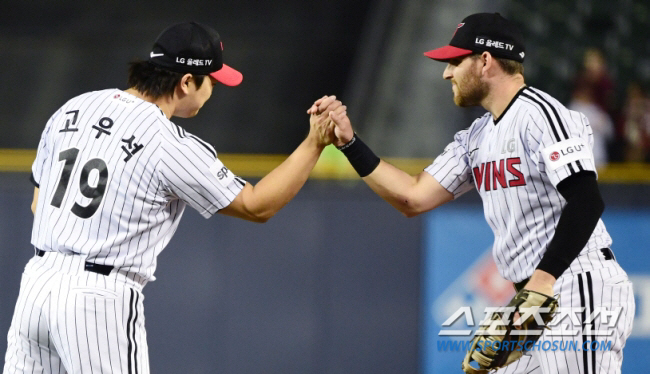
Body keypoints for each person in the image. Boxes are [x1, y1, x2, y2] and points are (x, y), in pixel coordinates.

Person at [4, 22, 341, 374]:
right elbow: (257, 205)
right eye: (211, 80)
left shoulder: (74, 108)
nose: (213, 89)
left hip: (37, 284)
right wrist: (314, 141)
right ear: (186, 82)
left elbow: (37, 204)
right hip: (97, 299)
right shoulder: (168, 142)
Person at [309, 13, 634, 374]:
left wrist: (541, 285)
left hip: (573, 283)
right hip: (531, 300)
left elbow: (587, 200)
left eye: (454, 61)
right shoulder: (476, 137)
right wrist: (350, 144)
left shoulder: (541, 115)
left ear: (485, 61)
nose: (446, 73)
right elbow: (412, 197)